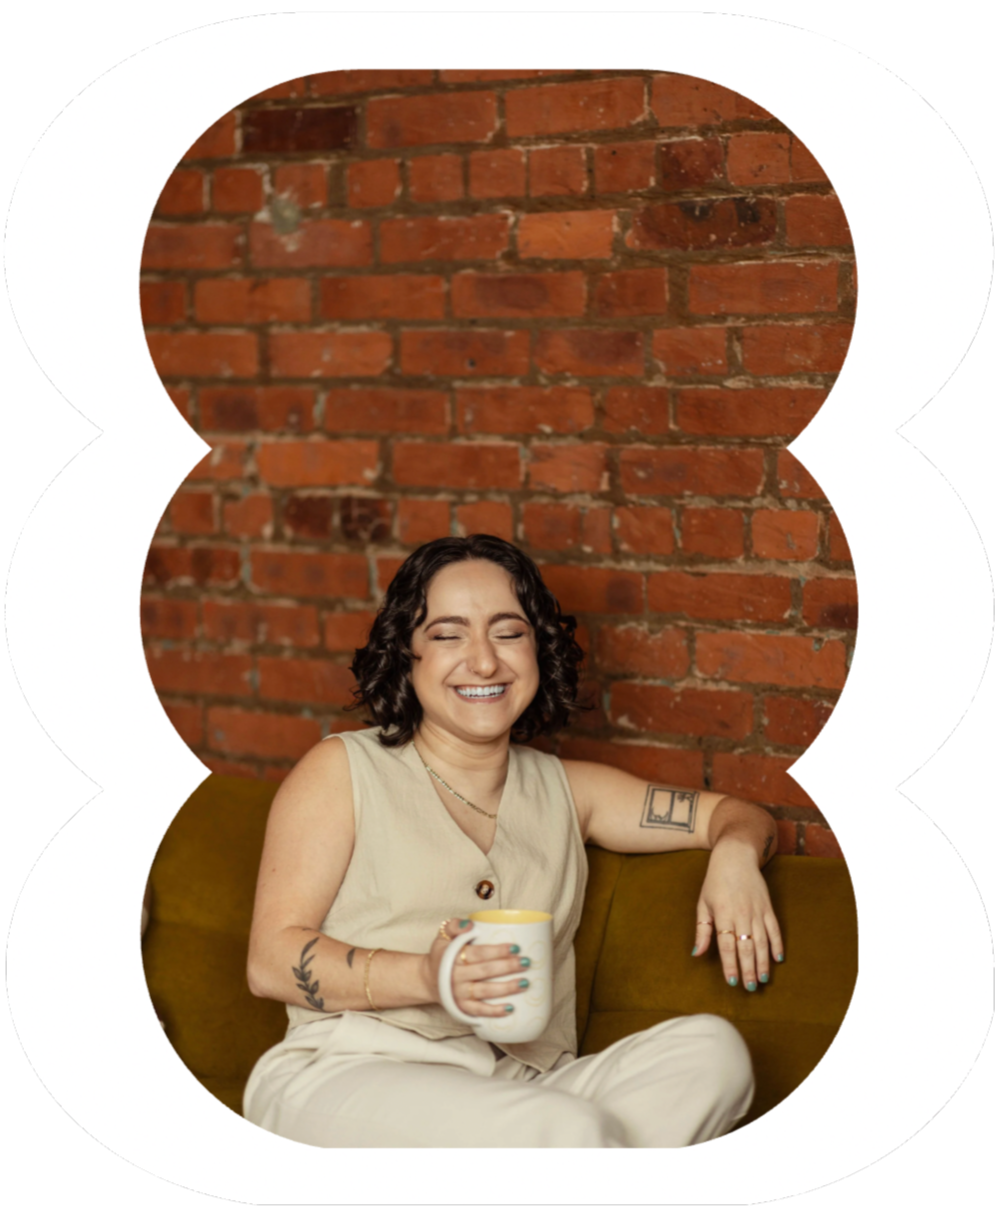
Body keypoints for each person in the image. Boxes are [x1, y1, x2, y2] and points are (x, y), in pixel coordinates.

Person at [243, 535, 784, 1148]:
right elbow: (269, 960)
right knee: (567, 1129)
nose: (483, 662)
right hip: (346, 1074)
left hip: (524, 1083)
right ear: (407, 654)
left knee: (713, 1056)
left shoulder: (573, 792)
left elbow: (734, 815)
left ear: (537, 648)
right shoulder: (343, 769)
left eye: (507, 632)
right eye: (448, 635)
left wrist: (736, 856)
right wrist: (428, 977)